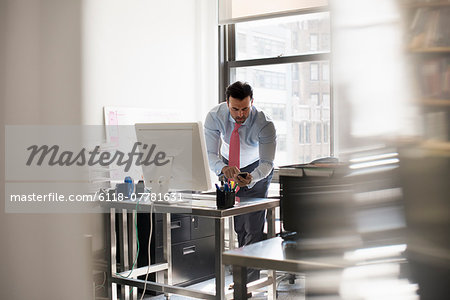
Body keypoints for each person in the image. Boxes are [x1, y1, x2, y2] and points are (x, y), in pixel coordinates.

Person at [204, 81, 276, 283]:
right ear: (227, 103)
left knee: (252, 225)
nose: (240, 114)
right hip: (228, 165)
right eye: (235, 109)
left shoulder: (264, 123)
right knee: (239, 226)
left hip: (256, 169)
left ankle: (247, 282)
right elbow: (210, 154)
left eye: (245, 108)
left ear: (252, 102)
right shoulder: (214, 116)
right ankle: (242, 272)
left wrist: (252, 177)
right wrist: (222, 168)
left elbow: (267, 162)